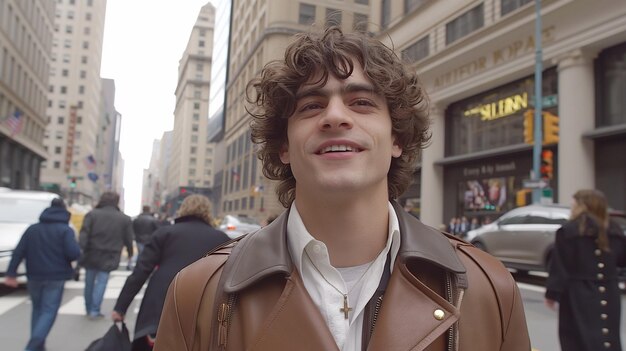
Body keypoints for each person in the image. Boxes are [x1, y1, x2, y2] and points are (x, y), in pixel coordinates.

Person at [154, 26, 529, 350]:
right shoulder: (198, 291)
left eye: (362, 102)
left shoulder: (488, 288)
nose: (334, 116)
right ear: (283, 146)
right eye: (311, 106)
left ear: (396, 137)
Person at [112, 194, 229, 350]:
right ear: (208, 212)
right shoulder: (222, 239)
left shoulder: (165, 233)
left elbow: (141, 272)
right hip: (204, 303)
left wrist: (121, 307)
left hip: (162, 301)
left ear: (183, 210)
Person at [545, 189, 626, 351]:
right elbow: (622, 261)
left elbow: (560, 266)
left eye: (574, 203)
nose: (571, 206)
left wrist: (552, 294)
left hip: (577, 293)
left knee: (576, 338)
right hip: (610, 291)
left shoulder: (568, 231)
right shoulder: (614, 230)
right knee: (607, 336)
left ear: (583, 205)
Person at [4, 198, 81, 351]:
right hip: (56, 275)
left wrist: (11, 273)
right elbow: (73, 253)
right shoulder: (65, 230)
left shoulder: (32, 229)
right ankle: (32, 346)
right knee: (48, 311)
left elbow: (19, 252)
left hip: (34, 274)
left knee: (38, 309)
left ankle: (38, 345)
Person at [79, 191, 134, 320]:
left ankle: (88, 307)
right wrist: (130, 253)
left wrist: (82, 249)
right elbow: (128, 238)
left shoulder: (92, 215)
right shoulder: (124, 218)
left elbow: (84, 235)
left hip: (91, 252)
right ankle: (94, 310)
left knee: (89, 282)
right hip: (111, 254)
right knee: (102, 282)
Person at [130, 205, 159, 270]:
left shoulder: (137, 219)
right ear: (149, 210)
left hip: (139, 239)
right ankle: (142, 267)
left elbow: (133, 229)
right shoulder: (153, 219)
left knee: (140, 254)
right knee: (147, 254)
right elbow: (157, 230)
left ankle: (138, 267)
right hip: (149, 239)